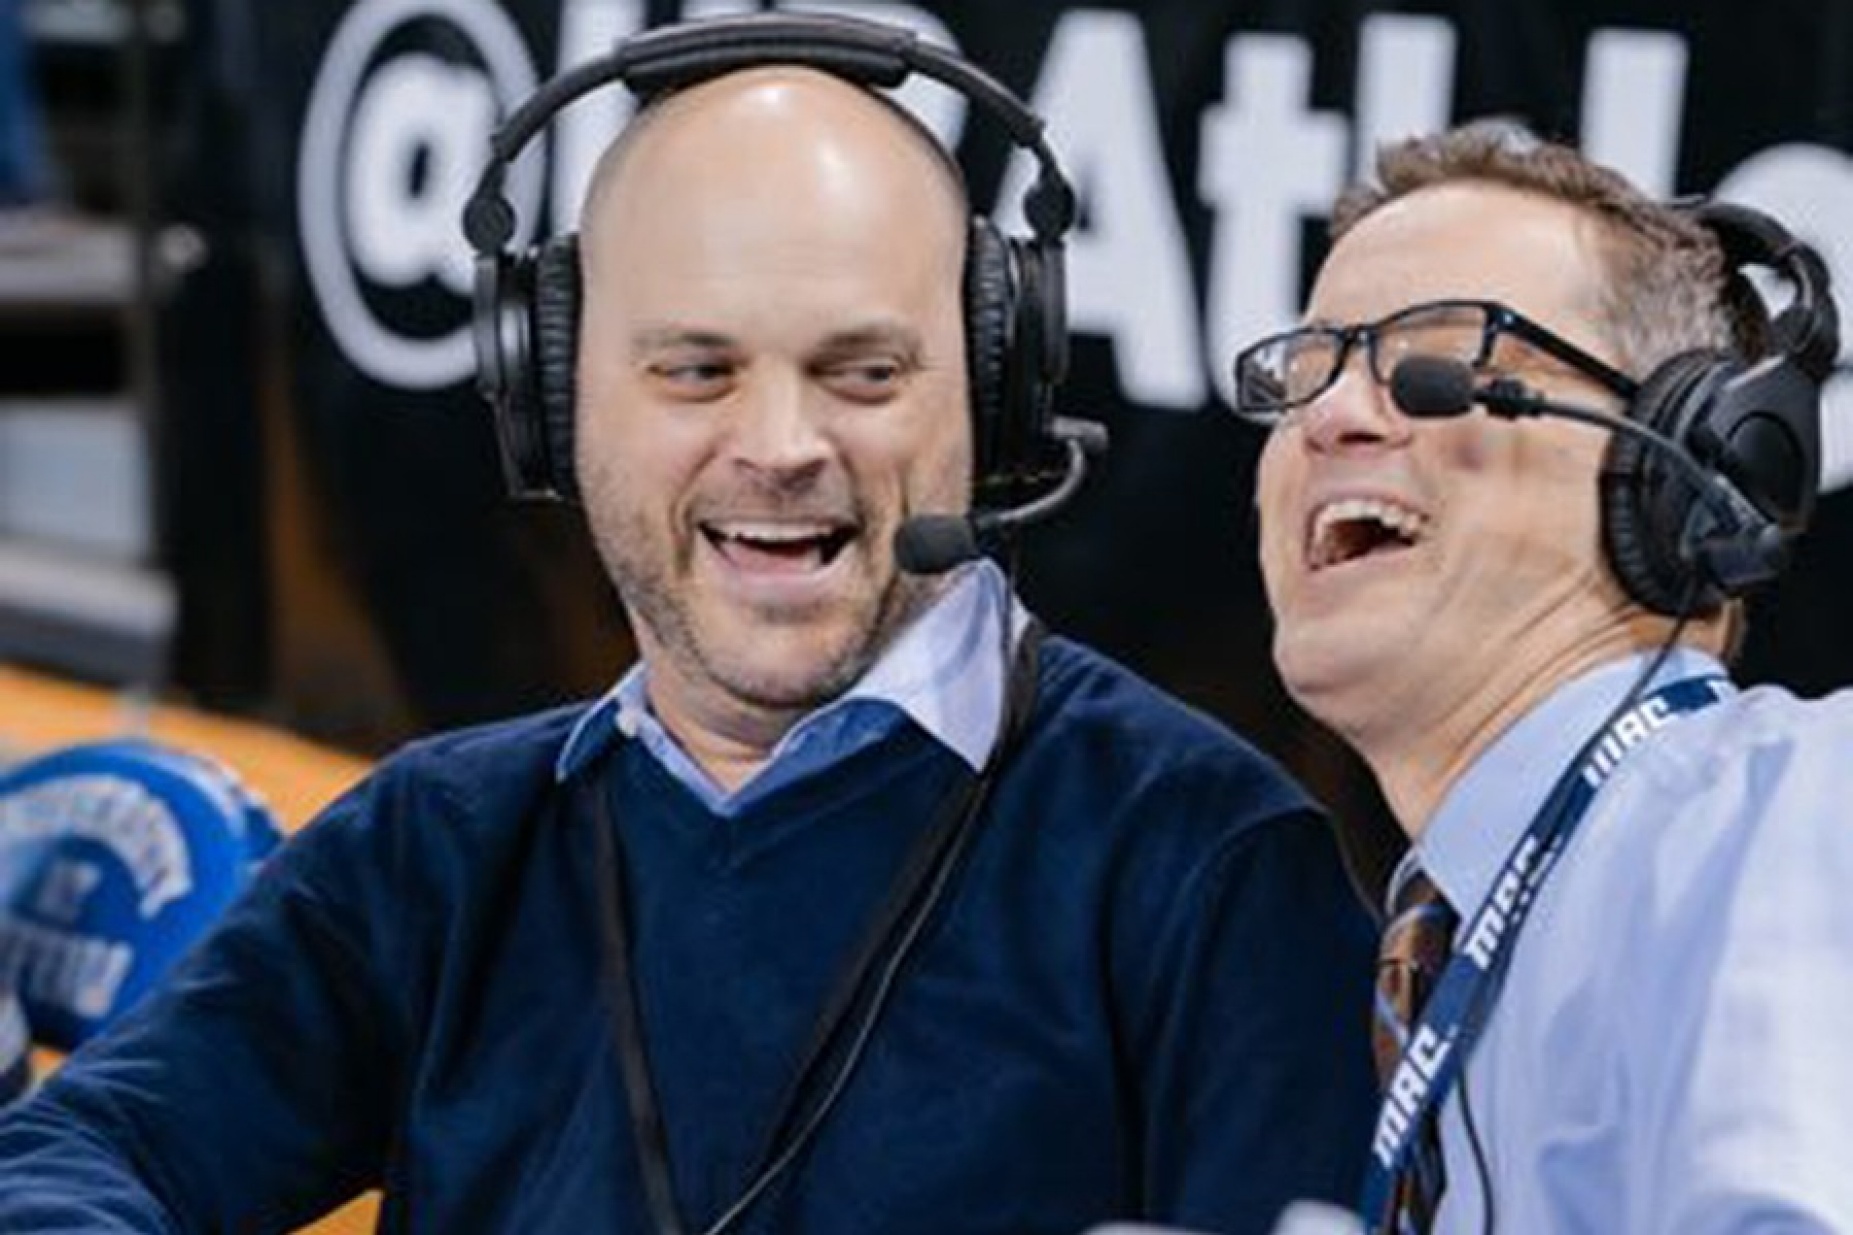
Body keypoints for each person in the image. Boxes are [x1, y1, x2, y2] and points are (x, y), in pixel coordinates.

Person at [0, 21, 1378, 1235]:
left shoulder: (1208, 868)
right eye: (694, 368)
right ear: (556, 401)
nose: (778, 444)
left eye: (863, 370)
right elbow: (82, 1150)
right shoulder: (434, 848)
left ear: (995, 392)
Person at [1235, 118, 1853, 1233]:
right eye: (1305, 367)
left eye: (1440, 358)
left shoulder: (1797, 802)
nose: (1326, 414)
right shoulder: (1453, 937)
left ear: (1684, 470)